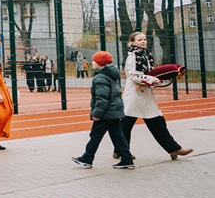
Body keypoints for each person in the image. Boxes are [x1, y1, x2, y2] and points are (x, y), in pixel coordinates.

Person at [121, 31, 193, 161]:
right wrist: (151, 80)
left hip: (145, 94)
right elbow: (133, 76)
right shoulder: (132, 56)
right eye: (139, 40)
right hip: (134, 95)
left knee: (157, 121)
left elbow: (153, 73)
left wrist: (165, 78)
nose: (143, 41)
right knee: (126, 125)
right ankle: (121, 150)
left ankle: (173, 149)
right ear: (132, 42)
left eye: (144, 39)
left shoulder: (147, 55)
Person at [72, 51, 134, 169]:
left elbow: (102, 98)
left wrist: (97, 113)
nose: (92, 62)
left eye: (94, 61)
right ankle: (127, 158)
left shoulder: (100, 78)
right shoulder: (113, 75)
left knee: (95, 135)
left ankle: (87, 158)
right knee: (118, 136)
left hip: (106, 113)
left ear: (99, 63)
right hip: (114, 111)